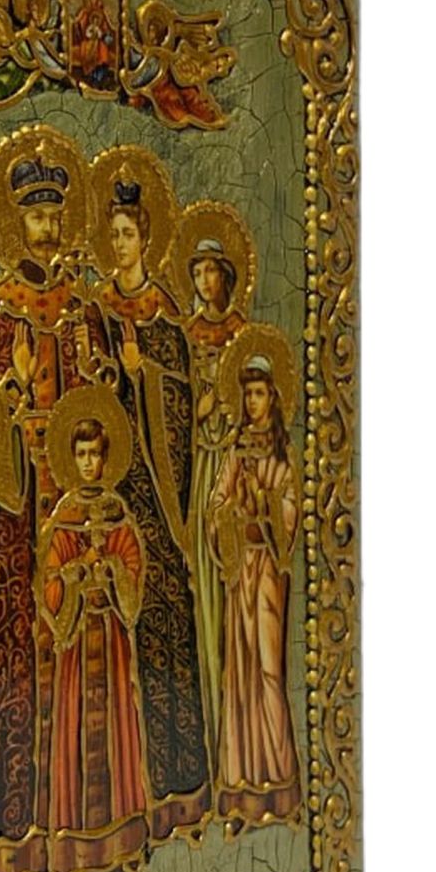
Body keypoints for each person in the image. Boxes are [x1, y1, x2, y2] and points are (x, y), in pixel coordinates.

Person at [0, 152, 108, 872]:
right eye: (36, 216)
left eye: (54, 215)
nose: (46, 227)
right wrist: (3, 403)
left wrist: (103, 385)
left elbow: (108, 407)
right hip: (15, 517)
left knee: (83, 666)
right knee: (14, 668)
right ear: (18, 221)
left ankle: (81, 833)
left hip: (74, 507)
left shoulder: (81, 307)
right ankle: (11, 844)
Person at [95, 181, 211, 839]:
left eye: (128, 235)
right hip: (113, 490)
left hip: (159, 499)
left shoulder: (164, 317)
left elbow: (179, 403)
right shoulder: (96, 312)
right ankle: (125, 795)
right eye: (111, 235)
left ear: (146, 240)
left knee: (167, 629)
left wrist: (143, 372)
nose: (119, 245)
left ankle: (180, 784)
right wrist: (113, 377)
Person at [39, 415, 150, 872]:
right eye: (80, 455)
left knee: (119, 729)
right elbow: (49, 581)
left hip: (113, 640)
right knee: (75, 731)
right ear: (71, 459)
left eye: (94, 454)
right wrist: (75, 576)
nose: (88, 463)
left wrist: (113, 571)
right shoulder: (64, 517)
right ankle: (73, 851)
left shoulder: (117, 513)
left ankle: (124, 841)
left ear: (106, 458)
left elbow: (133, 578)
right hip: (78, 644)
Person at [206, 353, 301, 829]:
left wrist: (264, 504)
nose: (253, 401)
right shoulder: (235, 454)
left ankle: (279, 782)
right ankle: (241, 788)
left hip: (266, 573)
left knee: (267, 669)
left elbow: (289, 516)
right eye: (248, 394)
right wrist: (227, 515)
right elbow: (216, 504)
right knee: (239, 674)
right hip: (240, 570)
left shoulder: (283, 458)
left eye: (260, 393)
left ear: (274, 399)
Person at [184, 235, 248, 763]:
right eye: (197, 273)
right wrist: (197, 410)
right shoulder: (187, 334)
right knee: (202, 581)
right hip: (200, 466)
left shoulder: (242, 334)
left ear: (226, 276)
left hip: (237, 465)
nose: (206, 282)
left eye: (212, 272)